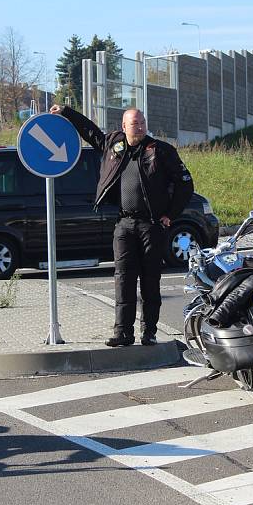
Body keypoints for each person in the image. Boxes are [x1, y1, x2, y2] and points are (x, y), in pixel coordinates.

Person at [50, 103, 194, 347]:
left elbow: (185, 184)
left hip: (152, 226)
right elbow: (90, 131)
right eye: (134, 123)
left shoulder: (161, 151)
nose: (138, 127)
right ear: (123, 126)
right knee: (123, 279)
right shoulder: (114, 145)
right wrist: (66, 112)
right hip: (124, 224)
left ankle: (149, 332)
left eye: (142, 123)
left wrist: (170, 214)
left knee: (150, 281)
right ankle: (122, 333)